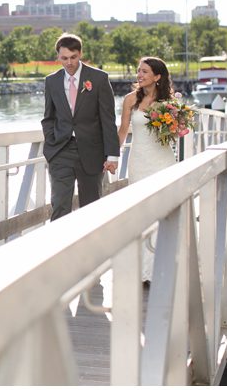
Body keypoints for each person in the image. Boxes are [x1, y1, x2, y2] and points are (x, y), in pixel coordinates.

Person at [41, 33, 120, 222]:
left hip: (92, 151)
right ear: (58, 57)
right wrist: (51, 143)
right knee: (60, 205)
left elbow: (108, 120)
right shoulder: (51, 81)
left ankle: (91, 250)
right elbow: (48, 117)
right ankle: (59, 250)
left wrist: (112, 154)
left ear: (80, 54)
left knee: (91, 206)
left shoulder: (99, 78)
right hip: (60, 151)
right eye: (64, 58)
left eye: (73, 57)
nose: (69, 63)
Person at [117, 56, 177, 283]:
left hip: (162, 161)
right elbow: (123, 130)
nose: (139, 75)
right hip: (139, 161)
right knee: (142, 213)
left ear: (157, 77)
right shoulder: (130, 99)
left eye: (144, 72)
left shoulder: (168, 103)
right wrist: (113, 156)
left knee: (164, 212)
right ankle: (144, 272)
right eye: (139, 71)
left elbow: (175, 134)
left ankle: (165, 268)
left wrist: (173, 123)